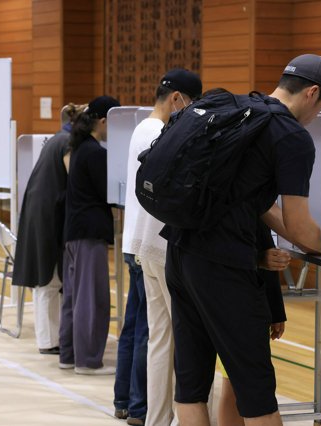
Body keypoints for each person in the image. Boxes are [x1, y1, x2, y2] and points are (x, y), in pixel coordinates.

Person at [161, 54, 321, 425]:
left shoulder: (240, 109)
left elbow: (253, 204)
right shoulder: (292, 137)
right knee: (256, 390)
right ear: (312, 92)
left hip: (180, 252)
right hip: (223, 269)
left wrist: (302, 236)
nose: (319, 113)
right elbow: (300, 225)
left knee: (191, 385)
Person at [114, 68, 202, 426]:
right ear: (178, 99)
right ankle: (186, 415)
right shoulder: (165, 132)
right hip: (162, 245)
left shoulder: (140, 128)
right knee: (180, 337)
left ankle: (154, 416)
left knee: (156, 337)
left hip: (139, 242)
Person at [12, 103, 86, 355]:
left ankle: (50, 339)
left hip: (39, 213)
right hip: (47, 216)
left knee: (47, 280)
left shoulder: (58, 138)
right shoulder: (68, 142)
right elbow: (74, 179)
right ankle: (49, 341)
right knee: (49, 280)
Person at [59, 95, 121, 375]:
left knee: (73, 296)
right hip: (89, 232)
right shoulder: (95, 152)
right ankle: (88, 360)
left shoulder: (81, 147)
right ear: (104, 121)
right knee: (91, 297)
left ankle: (69, 354)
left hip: (74, 231)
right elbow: (108, 193)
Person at [217, 222, 290, 426]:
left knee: (231, 384)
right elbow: (264, 253)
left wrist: (276, 311)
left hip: (237, 300)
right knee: (234, 386)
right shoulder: (243, 203)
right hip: (237, 303)